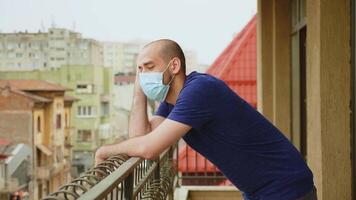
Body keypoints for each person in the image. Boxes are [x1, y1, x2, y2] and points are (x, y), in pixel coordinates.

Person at [95, 39, 317, 200]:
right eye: (140, 70)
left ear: (174, 66)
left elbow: (148, 148)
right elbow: (141, 137)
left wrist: (105, 151)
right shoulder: (173, 101)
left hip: (285, 187)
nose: (144, 75)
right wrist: (138, 92)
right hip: (260, 190)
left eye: (150, 67)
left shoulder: (199, 91)